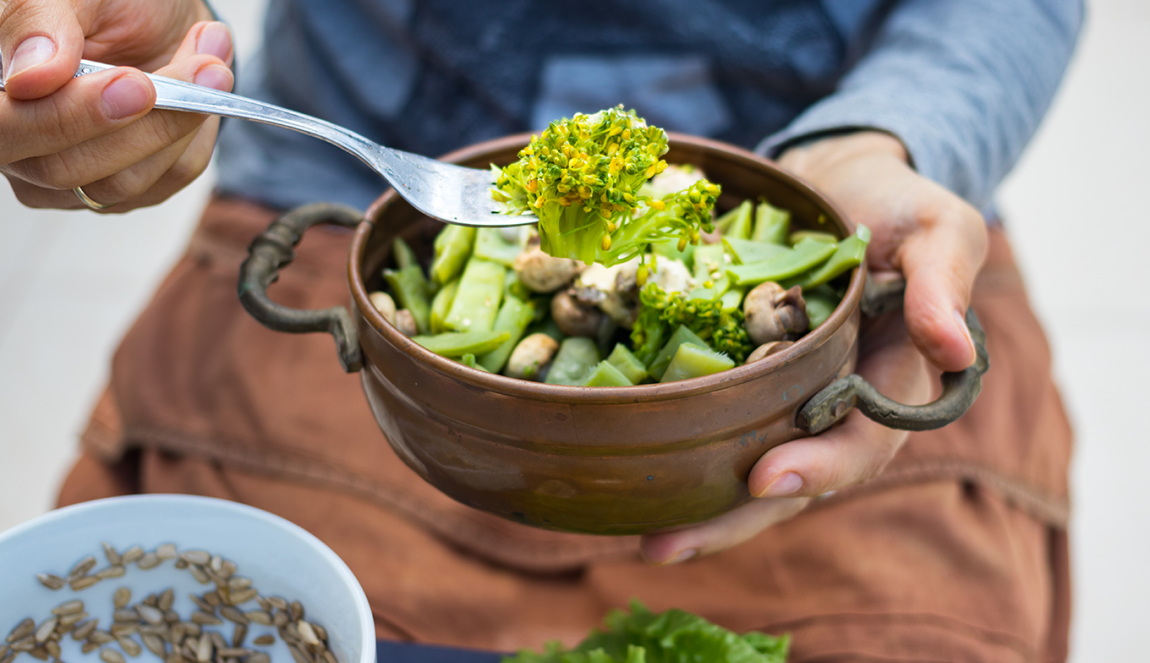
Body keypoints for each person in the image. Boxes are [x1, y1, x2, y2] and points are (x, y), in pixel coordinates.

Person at [1, 0, 1081, 659]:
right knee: (163, 605)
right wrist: (133, 22)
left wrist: (894, 140)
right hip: (350, 193)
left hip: (854, 183)